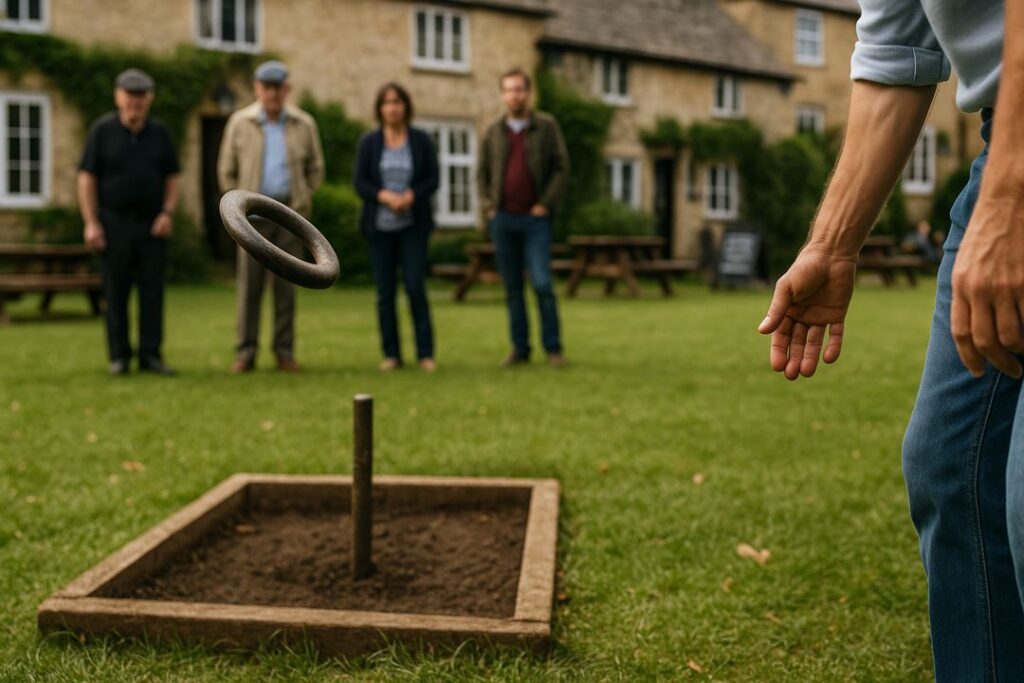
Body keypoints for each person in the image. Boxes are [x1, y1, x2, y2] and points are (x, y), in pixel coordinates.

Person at [758, 2, 1022, 679]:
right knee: (950, 465)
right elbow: (896, 55)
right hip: (1004, 141)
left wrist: (1012, 197)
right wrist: (832, 243)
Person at [218, 60, 325, 374]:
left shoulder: (304, 124)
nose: (273, 93)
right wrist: (238, 210)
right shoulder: (240, 122)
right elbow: (226, 170)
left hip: (290, 217)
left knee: (286, 290)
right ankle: (245, 353)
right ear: (257, 89)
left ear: (287, 89)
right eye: (267, 87)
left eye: (278, 87)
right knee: (248, 288)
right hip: (251, 220)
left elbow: (316, 169)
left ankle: (284, 352)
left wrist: (303, 198)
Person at [78, 68, 179, 377]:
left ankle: (151, 355)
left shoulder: (160, 133)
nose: (136, 101)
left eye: (141, 95)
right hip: (113, 223)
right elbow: (86, 178)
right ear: (118, 96)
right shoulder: (102, 131)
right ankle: (119, 356)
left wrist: (167, 213)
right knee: (115, 291)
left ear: (149, 98)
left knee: (152, 292)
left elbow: (172, 177)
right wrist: (91, 221)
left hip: (151, 225)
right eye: (130, 94)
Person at [479, 68, 570, 368]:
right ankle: (520, 348)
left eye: (519, 89)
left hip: (535, 221)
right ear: (503, 95)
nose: (514, 95)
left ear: (528, 93)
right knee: (513, 288)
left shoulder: (546, 126)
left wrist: (545, 203)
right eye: (508, 89)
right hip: (503, 220)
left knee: (542, 283)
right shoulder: (493, 131)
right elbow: (481, 174)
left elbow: (561, 167)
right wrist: (490, 208)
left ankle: (553, 349)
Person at [354, 83, 439, 372]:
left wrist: (412, 195)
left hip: (413, 225)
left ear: (406, 106)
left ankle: (425, 353)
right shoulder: (369, 143)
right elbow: (360, 182)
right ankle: (392, 354)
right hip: (380, 227)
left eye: (397, 102)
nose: (393, 108)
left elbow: (432, 178)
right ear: (380, 109)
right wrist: (384, 196)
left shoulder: (421, 141)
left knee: (415, 287)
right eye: (387, 103)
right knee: (385, 293)